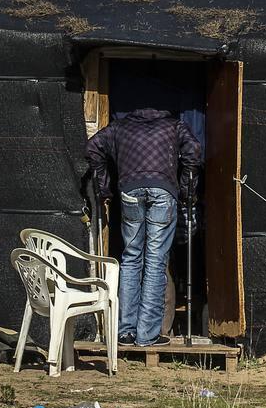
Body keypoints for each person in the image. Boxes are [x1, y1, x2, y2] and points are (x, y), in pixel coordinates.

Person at [86, 107, 202, 347]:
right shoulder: (174, 125)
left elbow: (92, 147)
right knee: (156, 260)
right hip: (163, 190)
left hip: (129, 190)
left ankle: (125, 332)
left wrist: (104, 186)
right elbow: (194, 151)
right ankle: (147, 335)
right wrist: (185, 190)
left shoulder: (120, 126)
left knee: (130, 258)